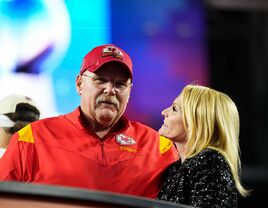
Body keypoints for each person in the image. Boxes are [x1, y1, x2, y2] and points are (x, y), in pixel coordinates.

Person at [0, 44, 178, 198]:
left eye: (120, 84)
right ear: (79, 84)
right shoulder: (31, 139)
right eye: (100, 80)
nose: (110, 90)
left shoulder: (159, 148)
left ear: (129, 91)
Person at [156, 84, 250, 207]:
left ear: (197, 122)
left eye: (174, 108)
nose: (164, 112)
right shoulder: (175, 168)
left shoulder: (210, 162)